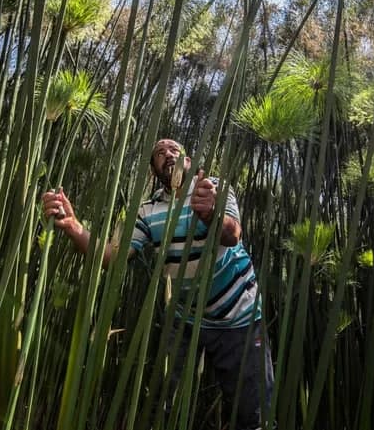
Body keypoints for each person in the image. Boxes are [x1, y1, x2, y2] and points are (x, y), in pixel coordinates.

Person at [41, 138, 273, 430]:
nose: (168, 153)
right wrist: (73, 225)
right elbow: (112, 256)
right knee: (167, 410)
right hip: (184, 320)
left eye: (174, 149)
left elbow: (233, 235)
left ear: (190, 159)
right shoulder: (146, 210)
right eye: (159, 153)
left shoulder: (213, 186)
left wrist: (210, 213)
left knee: (253, 415)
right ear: (154, 171)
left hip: (240, 317)